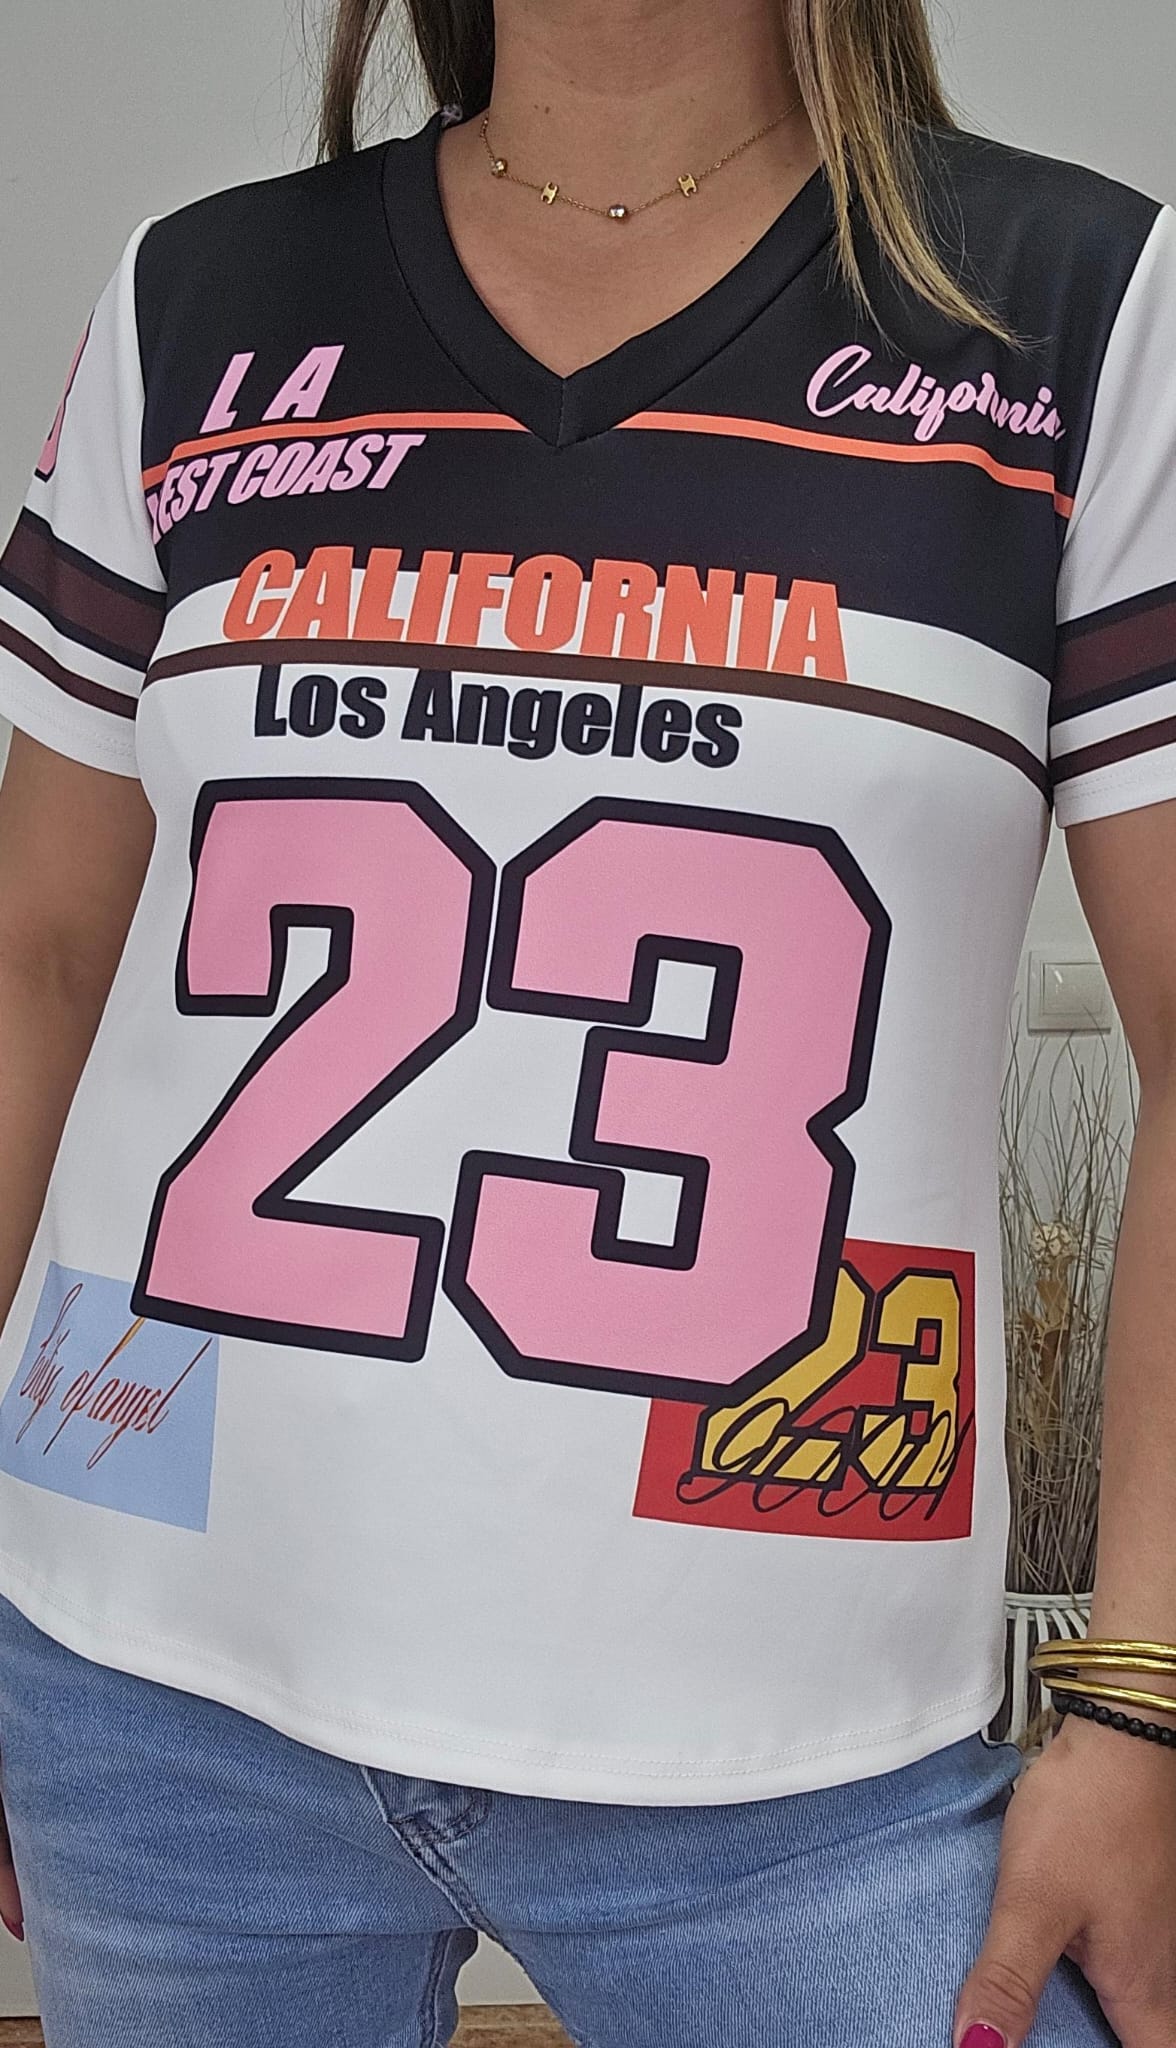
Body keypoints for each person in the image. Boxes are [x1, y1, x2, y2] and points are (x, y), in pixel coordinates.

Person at [0, 0, 1173, 2041]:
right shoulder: (196, 300)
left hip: (805, 1763)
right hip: (148, 1691)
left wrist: (1146, 1697)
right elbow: (39, 959)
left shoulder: (1075, 306)